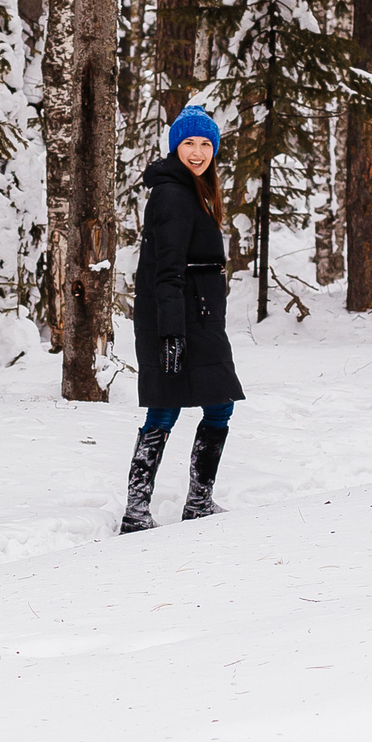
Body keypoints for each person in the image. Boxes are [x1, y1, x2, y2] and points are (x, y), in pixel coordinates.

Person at [121, 105, 245, 532]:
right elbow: (166, 270)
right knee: (166, 410)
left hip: (198, 318)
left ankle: (197, 502)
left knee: (215, 405)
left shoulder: (194, 189)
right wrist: (171, 334)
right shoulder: (174, 194)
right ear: (176, 146)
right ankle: (139, 512)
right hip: (178, 319)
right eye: (189, 143)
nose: (197, 152)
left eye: (206, 143)